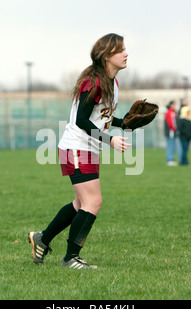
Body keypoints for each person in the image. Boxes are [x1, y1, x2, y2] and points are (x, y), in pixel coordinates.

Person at [28, 33, 131, 269]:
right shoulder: (93, 82)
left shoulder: (111, 82)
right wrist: (110, 140)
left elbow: (100, 116)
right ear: (107, 56)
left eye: (125, 49)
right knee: (93, 202)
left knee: (80, 203)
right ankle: (71, 258)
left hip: (85, 148)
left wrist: (122, 123)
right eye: (120, 50)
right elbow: (82, 120)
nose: (126, 54)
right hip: (76, 147)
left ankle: (42, 238)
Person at [164, 100, 178, 166]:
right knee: (171, 145)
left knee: (172, 145)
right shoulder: (170, 112)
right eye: (174, 105)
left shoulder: (172, 112)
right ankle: (170, 159)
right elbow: (171, 122)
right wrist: (174, 129)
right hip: (171, 132)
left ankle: (170, 159)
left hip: (171, 131)